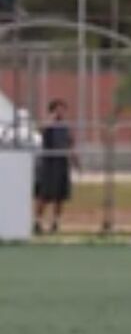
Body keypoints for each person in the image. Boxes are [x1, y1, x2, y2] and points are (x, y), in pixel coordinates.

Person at [33, 99, 79, 234]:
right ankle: (37, 222)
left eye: (62, 109)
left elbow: (71, 145)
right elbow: (40, 130)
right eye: (57, 109)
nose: (60, 112)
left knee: (60, 196)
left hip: (62, 163)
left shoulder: (66, 127)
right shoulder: (48, 125)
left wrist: (75, 161)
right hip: (48, 164)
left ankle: (55, 223)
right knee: (44, 195)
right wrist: (50, 120)